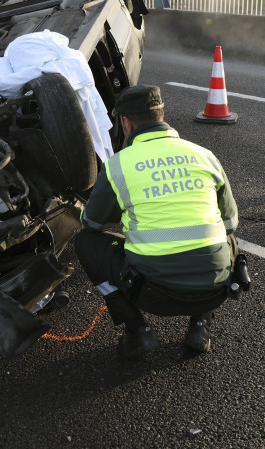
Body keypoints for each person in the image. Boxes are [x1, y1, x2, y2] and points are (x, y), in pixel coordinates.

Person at [75, 84, 241, 357]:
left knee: (85, 243)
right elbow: (231, 222)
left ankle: (138, 331)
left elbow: (92, 224)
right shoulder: (205, 155)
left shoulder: (118, 165)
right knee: (224, 235)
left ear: (126, 122)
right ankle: (200, 326)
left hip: (151, 293)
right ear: (162, 113)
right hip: (214, 288)